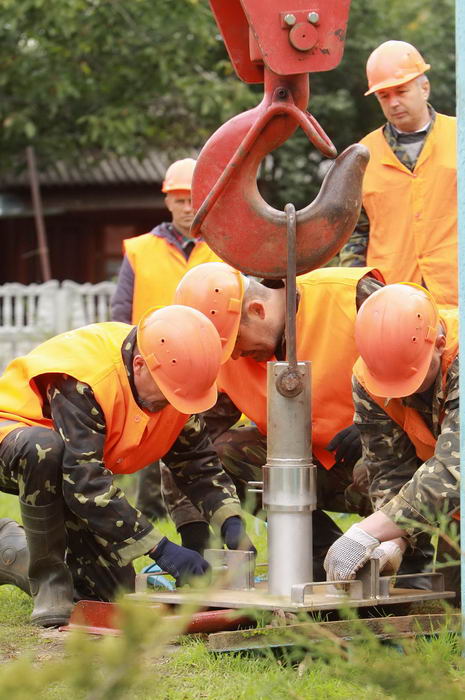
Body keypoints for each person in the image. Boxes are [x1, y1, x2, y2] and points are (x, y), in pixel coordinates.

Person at [0, 305, 254, 627]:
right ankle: (50, 584)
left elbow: (197, 463)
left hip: (70, 470)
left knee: (109, 596)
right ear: (139, 365)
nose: (172, 406)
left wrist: (230, 521)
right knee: (46, 449)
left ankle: (9, 550)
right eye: (167, 396)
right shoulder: (87, 380)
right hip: (15, 440)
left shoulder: (174, 384)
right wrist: (160, 548)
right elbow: (85, 484)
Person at [160, 262, 387, 578]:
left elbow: (420, 364)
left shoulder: (349, 297)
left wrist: (378, 421)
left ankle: (411, 558)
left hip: (384, 461)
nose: (234, 356)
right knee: (226, 452)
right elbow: (188, 441)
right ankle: (323, 557)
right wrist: (193, 529)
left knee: (386, 461)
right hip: (312, 472)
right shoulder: (230, 357)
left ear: (257, 310)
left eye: (235, 343)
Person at [323, 283, 459, 599]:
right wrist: (392, 542)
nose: (402, 393)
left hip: (454, 483)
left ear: (439, 345)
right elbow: (388, 468)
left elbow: (456, 467)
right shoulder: (370, 376)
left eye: (411, 378)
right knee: (453, 603)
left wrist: (366, 531)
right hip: (451, 503)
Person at [111, 157, 222, 519]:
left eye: (194, 199)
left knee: (204, 449)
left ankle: (207, 518)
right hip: (154, 366)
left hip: (211, 367)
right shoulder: (140, 250)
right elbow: (121, 312)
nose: (188, 207)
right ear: (167, 201)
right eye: (180, 200)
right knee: (151, 447)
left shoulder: (224, 248)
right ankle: (152, 520)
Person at [339, 40, 457, 308]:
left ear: (424, 88)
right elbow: (354, 234)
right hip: (393, 300)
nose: (394, 103)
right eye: (384, 96)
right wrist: (359, 290)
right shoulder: (363, 155)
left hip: (456, 294)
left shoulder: (458, 137)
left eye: (401, 91)